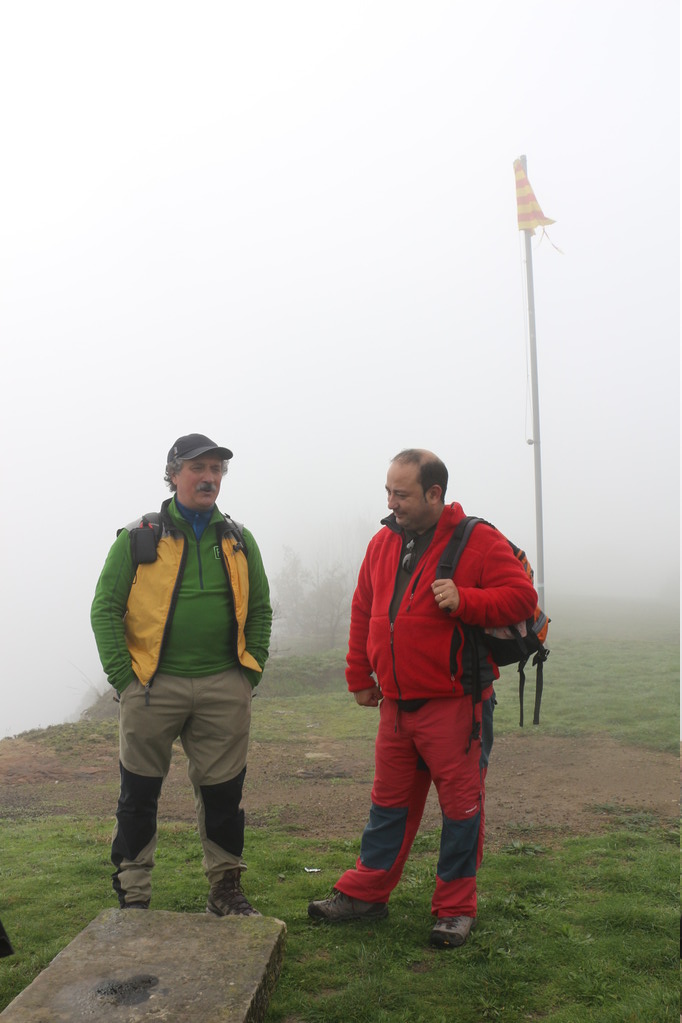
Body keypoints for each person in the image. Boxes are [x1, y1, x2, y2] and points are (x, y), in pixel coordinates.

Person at [308, 448, 537, 948]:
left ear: (435, 493)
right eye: (388, 492)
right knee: (387, 806)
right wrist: (358, 674)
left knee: (461, 810)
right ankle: (366, 894)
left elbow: (523, 597)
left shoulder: (477, 539)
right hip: (396, 706)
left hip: (457, 706)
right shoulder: (382, 542)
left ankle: (455, 909)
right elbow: (363, 609)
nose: (391, 503)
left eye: (402, 494)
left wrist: (466, 598)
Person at [91, 433, 272, 916]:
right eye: (198, 468)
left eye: (216, 469)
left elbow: (260, 609)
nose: (209, 477)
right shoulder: (139, 537)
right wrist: (125, 678)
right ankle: (134, 895)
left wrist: (248, 674)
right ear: (173, 475)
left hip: (224, 685)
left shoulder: (238, 539)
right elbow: (105, 608)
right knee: (139, 793)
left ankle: (225, 888)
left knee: (224, 793)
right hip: (151, 686)